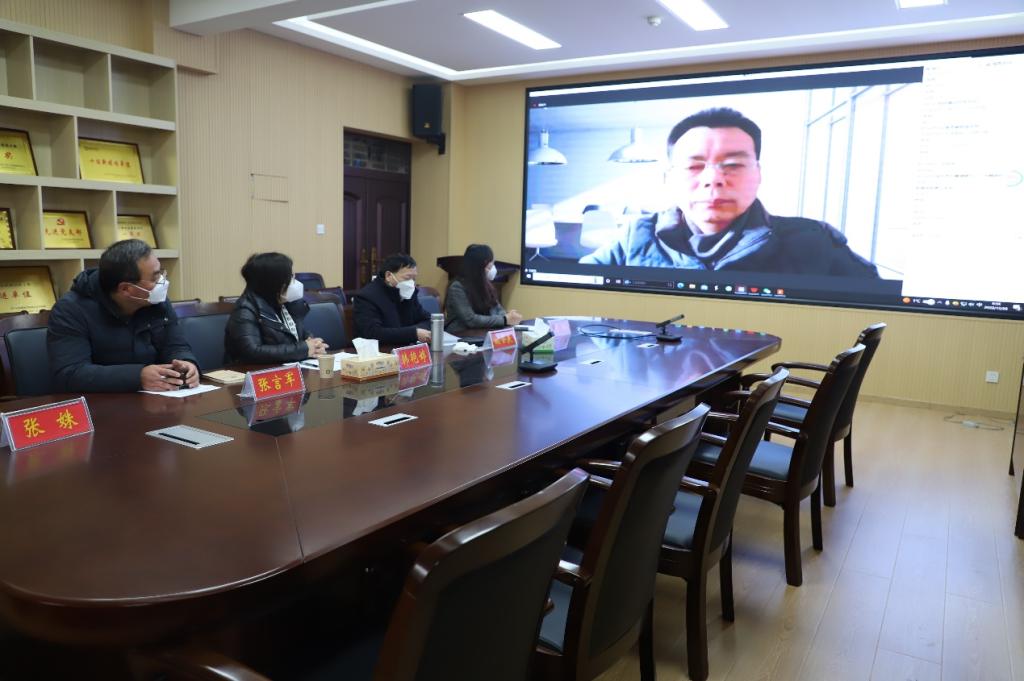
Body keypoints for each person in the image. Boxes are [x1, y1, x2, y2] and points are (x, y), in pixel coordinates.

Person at [580, 107, 879, 277]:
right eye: (694, 166)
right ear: (669, 179)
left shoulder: (813, 241)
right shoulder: (636, 236)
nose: (713, 179)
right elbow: (578, 287)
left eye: (733, 165)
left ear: (758, 174)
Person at [47, 239, 200, 392]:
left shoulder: (154, 300)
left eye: (161, 272)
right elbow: (70, 374)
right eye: (155, 277)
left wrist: (186, 363)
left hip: (157, 398)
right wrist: (137, 377)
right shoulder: (71, 310)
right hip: (102, 402)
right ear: (126, 289)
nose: (162, 281)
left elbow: (175, 345)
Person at [224, 252, 329, 364]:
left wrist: (314, 345)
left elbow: (298, 335)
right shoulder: (245, 310)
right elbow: (252, 352)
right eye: (291, 277)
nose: (295, 282)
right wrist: (304, 349)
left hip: (287, 367)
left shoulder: (285, 302)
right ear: (274, 283)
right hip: (251, 372)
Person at [444, 244, 523, 335]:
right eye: (489, 267)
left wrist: (508, 316)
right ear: (478, 267)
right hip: (460, 334)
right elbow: (470, 320)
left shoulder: (485, 285)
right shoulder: (457, 287)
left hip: (482, 331)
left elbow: (497, 308)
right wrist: (505, 319)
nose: (492, 269)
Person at [352, 253, 431, 345]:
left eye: (414, 278)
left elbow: (427, 319)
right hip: (379, 350)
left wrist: (417, 331)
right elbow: (373, 333)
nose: (411, 283)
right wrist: (414, 333)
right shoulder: (366, 297)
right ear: (388, 276)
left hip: (405, 347)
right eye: (408, 278)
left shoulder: (408, 293)